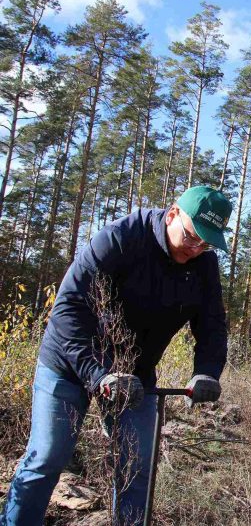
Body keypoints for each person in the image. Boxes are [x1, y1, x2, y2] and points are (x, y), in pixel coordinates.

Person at [1, 186, 233, 526]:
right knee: (48, 457)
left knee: (137, 465)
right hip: (70, 363)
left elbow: (212, 323)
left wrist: (207, 371)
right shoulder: (121, 239)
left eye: (206, 242)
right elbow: (68, 311)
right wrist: (97, 375)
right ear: (172, 214)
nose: (196, 248)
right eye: (191, 236)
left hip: (135, 374)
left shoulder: (203, 265)